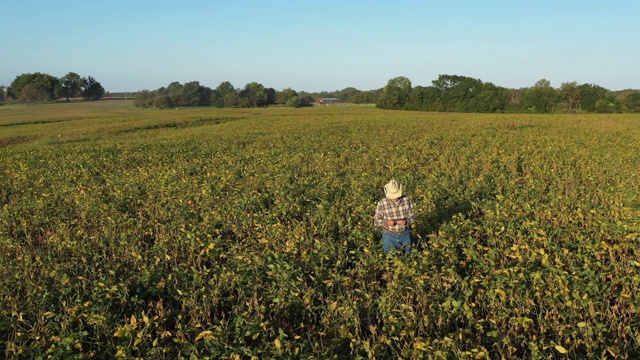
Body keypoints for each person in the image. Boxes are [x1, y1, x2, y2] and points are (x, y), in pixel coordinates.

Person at [374, 180, 416, 256]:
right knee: (390, 258)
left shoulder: (407, 200)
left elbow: (413, 217)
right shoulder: (382, 203)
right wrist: (386, 222)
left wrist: (406, 221)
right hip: (389, 236)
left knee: (408, 256)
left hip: (405, 234)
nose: (394, 198)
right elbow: (376, 221)